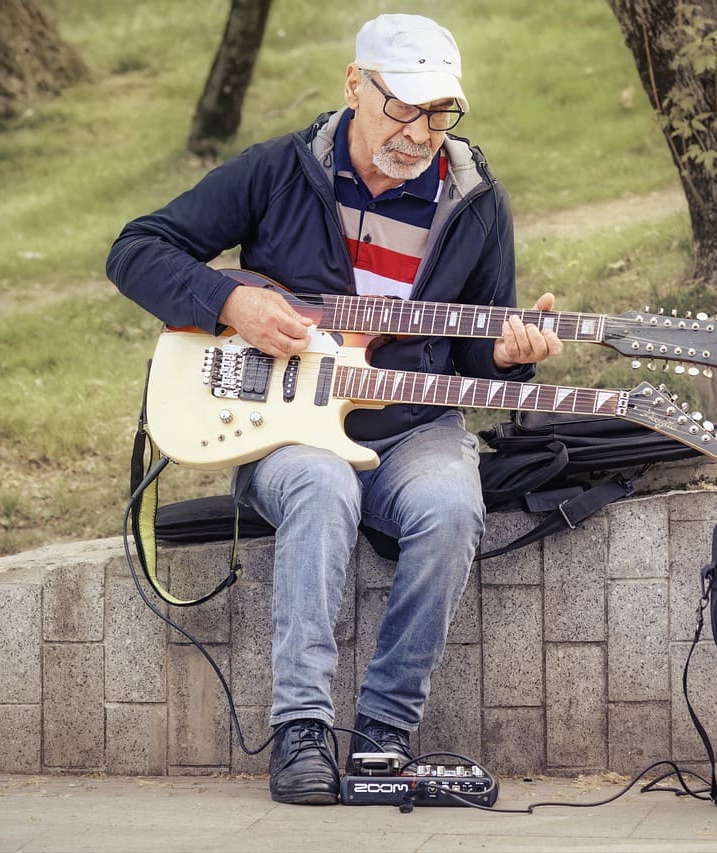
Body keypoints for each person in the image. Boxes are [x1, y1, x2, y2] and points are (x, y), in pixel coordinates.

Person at [106, 13, 562, 805]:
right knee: (323, 486)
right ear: (356, 86)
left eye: (440, 112)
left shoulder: (477, 204)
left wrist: (510, 358)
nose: (422, 133)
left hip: (413, 428)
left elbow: (474, 357)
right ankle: (302, 729)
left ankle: (384, 734)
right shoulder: (280, 171)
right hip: (286, 430)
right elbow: (136, 247)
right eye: (405, 107)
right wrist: (231, 303)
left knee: (453, 507)